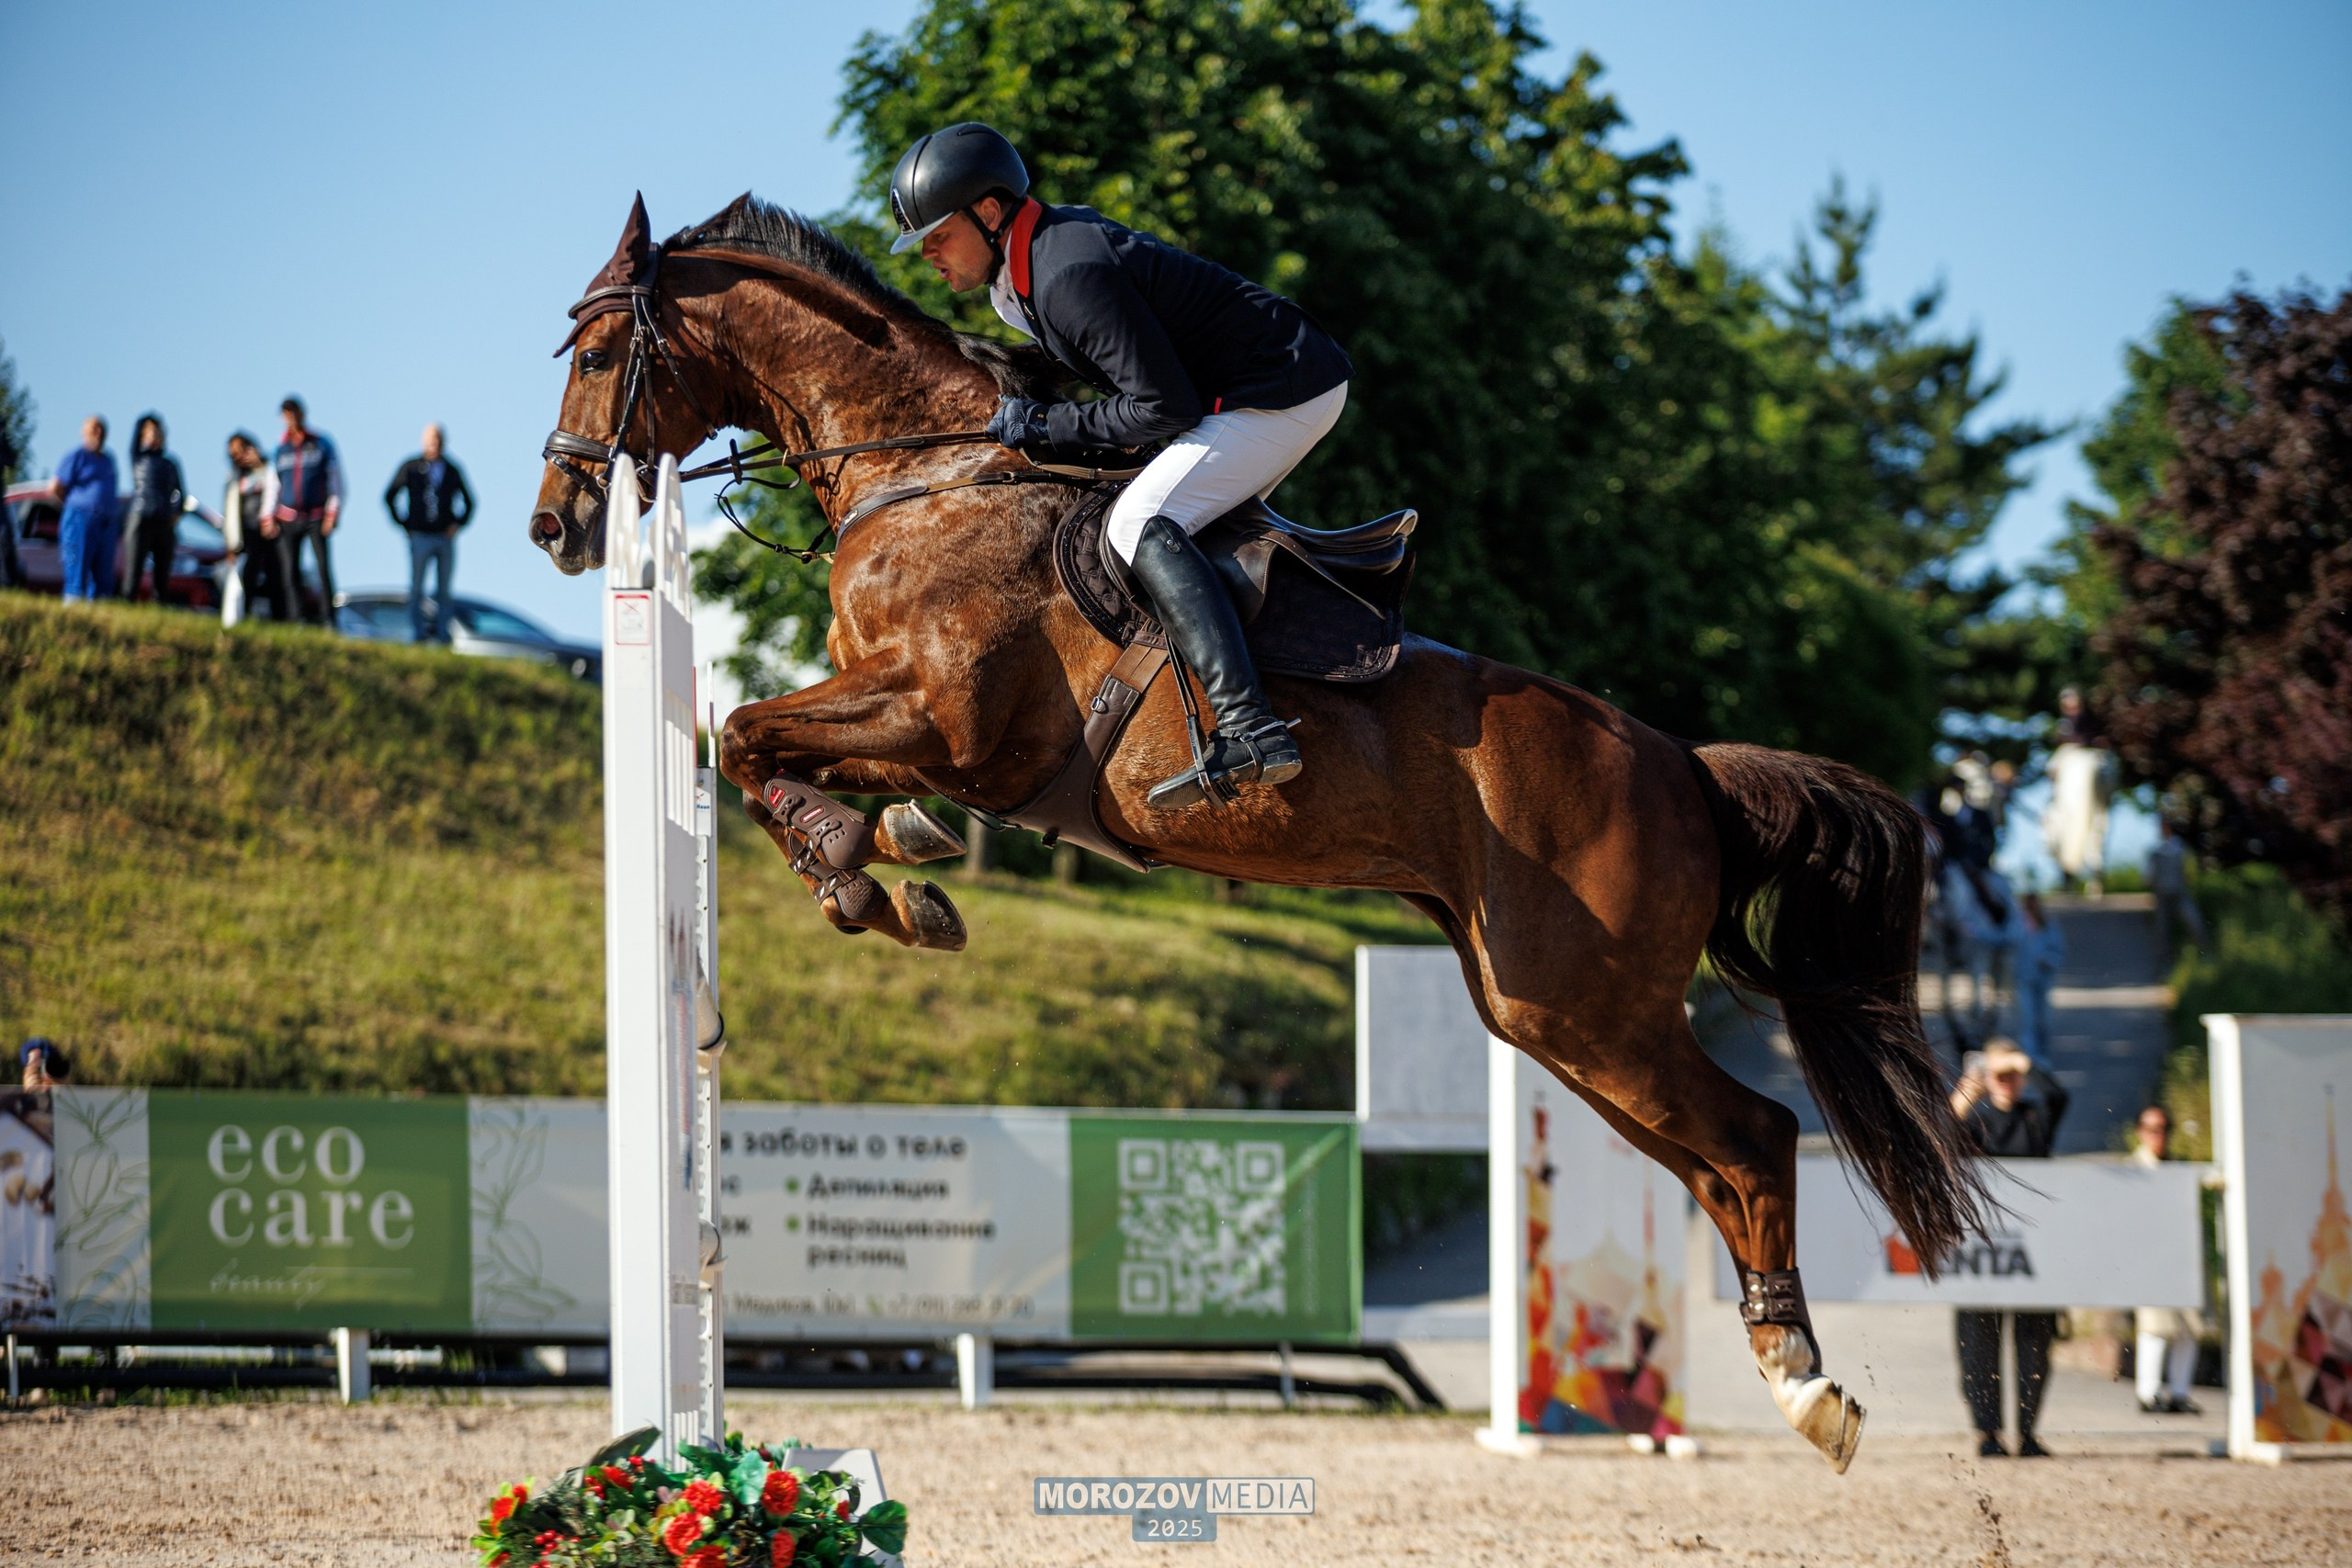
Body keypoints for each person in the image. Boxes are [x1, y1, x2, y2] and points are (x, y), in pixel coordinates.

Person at [890, 121, 1351, 810]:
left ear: (989, 213)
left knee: (1141, 521)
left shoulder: (1066, 272)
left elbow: (1164, 408)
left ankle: (1251, 727)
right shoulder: (1016, 283)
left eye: (936, 234)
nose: (927, 254)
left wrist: (1048, 425)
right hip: (1241, 390)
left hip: (1280, 390)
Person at [1949, 1039, 2070, 1457]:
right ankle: (1988, 1433)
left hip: (2033, 1250)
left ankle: (2029, 1431)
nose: (2007, 1082)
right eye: (2000, 1075)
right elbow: (1939, 1132)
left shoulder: (2034, 1118)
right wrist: (1970, 1087)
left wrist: (2025, 1061)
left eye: (2013, 1074)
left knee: (2035, 1344)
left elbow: (2057, 1095)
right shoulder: (1976, 1122)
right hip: (1983, 1249)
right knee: (1978, 1345)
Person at [2129, 1104, 2204, 1414]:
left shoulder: (2177, 1167)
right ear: (2140, 1132)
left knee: (2189, 1327)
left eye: (2162, 1129)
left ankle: (2179, 1391)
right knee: (2154, 1327)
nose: (2158, 1136)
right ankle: (2148, 1392)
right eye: (2151, 1129)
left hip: (2180, 1258)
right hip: (2148, 1259)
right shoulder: (2132, 1169)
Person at [382, 423, 475, 642]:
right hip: (420, 536)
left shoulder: (452, 469)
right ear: (424, 441)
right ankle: (418, 634)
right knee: (416, 589)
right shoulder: (411, 466)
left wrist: (457, 523)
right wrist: (404, 524)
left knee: (444, 591)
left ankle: (443, 635)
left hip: (444, 537)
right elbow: (390, 495)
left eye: (438, 439)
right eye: (432, 439)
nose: (435, 444)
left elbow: (470, 502)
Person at [269, 396, 341, 626]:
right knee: (290, 572)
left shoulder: (321, 444)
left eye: (294, 413)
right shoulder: (280, 449)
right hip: (288, 518)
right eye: (286, 415)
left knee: (322, 569)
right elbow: (273, 485)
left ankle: (328, 620)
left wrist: (332, 512)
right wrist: (268, 516)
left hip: (317, 516)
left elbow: (336, 481)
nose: (291, 419)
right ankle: (296, 619)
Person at [46, 416, 120, 602]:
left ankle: (101, 619)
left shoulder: (108, 459)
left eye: (101, 429)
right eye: (94, 429)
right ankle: (73, 615)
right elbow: (55, 488)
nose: (98, 433)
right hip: (80, 519)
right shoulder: (76, 456)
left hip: (105, 522)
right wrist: (76, 506)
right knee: (77, 574)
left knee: (103, 578)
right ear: (84, 432)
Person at [222, 431, 288, 625]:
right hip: (247, 534)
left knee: (276, 576)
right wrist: (231, 542)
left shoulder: (269, 468)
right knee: (247, 576)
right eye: (233, 454)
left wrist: (261, 463)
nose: (238, 456)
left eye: (241, 450)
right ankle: (246, 616)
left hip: (271, 532)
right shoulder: (235, 479)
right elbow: (230, 512)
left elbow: (278, 488)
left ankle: (280, 618)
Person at [122, 412, 187, 605]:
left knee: (162, 572)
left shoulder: (170, 463)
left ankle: (159, 605)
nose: (155, 436)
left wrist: (176, 512)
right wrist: (148, 419)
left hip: (164, 520)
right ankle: (128, 604)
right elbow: (136, 434)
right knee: (134, 569)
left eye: (158, 432)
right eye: (150, 432)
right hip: (140, 517)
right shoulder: (138, 458)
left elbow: (181, 493)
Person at [2012, 892, 2064, 1066]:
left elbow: (2059, 952)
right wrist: (1976, 932)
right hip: (2023, 979)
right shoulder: (2018, 925)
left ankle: (2043, 1057)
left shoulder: (2048, 925)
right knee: (2027, 1020)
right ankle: (2029, 1060)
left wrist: (2047, 959)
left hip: (2042, 979)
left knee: (2043, 1020)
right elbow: (2001, 938)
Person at [2147, 822, 2208, 957]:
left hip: (2179, 893)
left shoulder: (2180, 849)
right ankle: (2164, 960)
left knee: (2194, 921)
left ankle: (2203, 952)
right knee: (2162, 930)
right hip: (2163, 895)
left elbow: (2189, 872)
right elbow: (2149, 875)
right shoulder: (2156, 851)